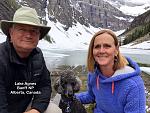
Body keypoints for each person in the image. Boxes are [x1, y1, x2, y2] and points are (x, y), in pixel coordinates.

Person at [76, 29, 146, 113]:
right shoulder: (93, 74)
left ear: (116, 50)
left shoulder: (133, 85)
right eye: (97, 46)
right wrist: (69, 97)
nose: (101, 51)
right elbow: (91, 96)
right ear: (92, 51)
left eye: (107, 46)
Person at [0, 6, 53, 113]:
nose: (28, 35)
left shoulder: (37, 55)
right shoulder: (1, 58)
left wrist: (36, 109)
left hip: (25, 107)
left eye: (33, 31)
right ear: (11, 32)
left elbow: (44, 86)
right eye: (22, 29)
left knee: (53, 110)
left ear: (39, 35)